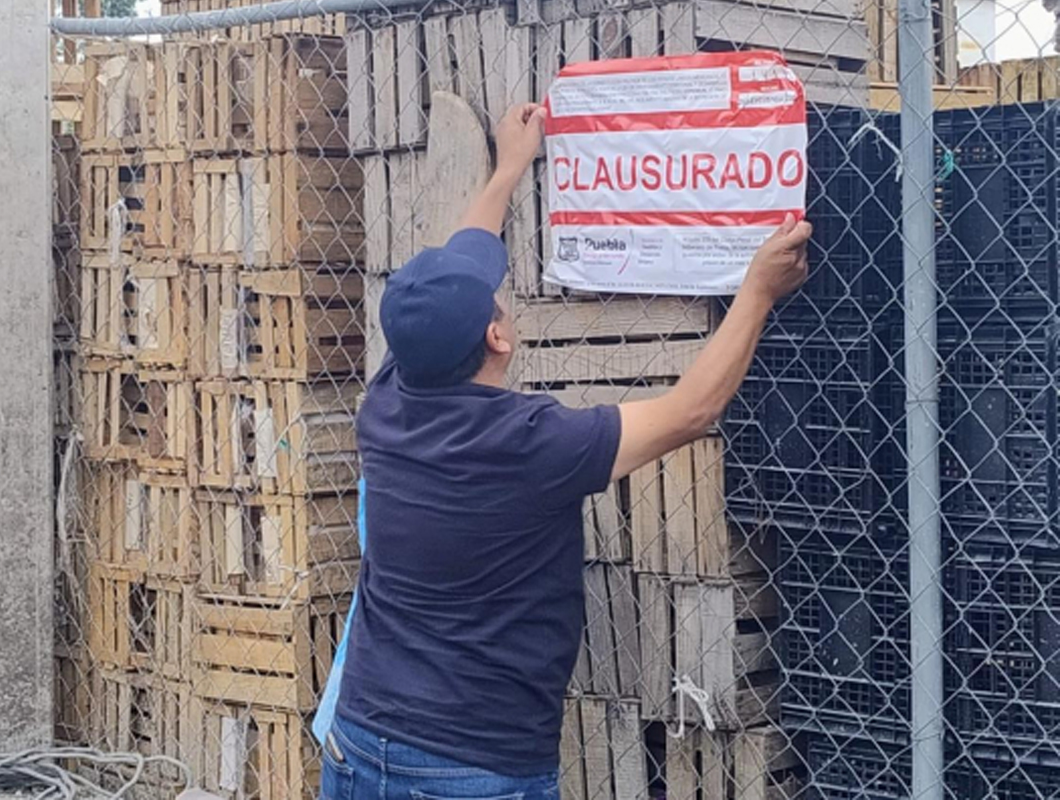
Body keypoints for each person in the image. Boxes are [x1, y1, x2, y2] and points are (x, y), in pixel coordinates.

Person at [321, 103, 812, 800]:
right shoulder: (527, 441)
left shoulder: (389, 399)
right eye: (495, 299)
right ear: (498, 338)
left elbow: (462, 258)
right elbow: (691, 411)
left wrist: (510, 167)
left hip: (359, 738)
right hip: (470, 768)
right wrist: (757, 292)